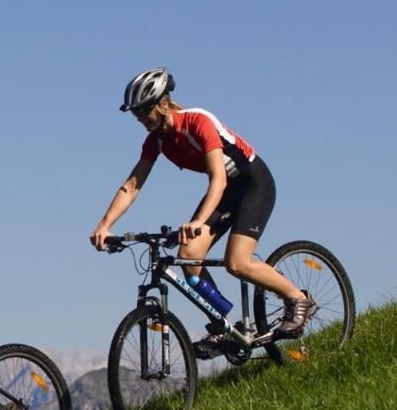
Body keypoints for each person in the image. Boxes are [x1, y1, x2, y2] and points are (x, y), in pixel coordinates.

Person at [89, 67, 316, 356]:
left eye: (143, 111)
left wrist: (197, 221)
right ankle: (225, 327)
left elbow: (218, 178)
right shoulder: (156, 140)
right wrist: (104, 225)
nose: (139, 119)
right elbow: (132, 186)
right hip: (224, 192)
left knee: (237, 262)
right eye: (136, 113)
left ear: (162, 104)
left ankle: (298, 299)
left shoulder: (198, 122)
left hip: (252, 184)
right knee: (189, 257)